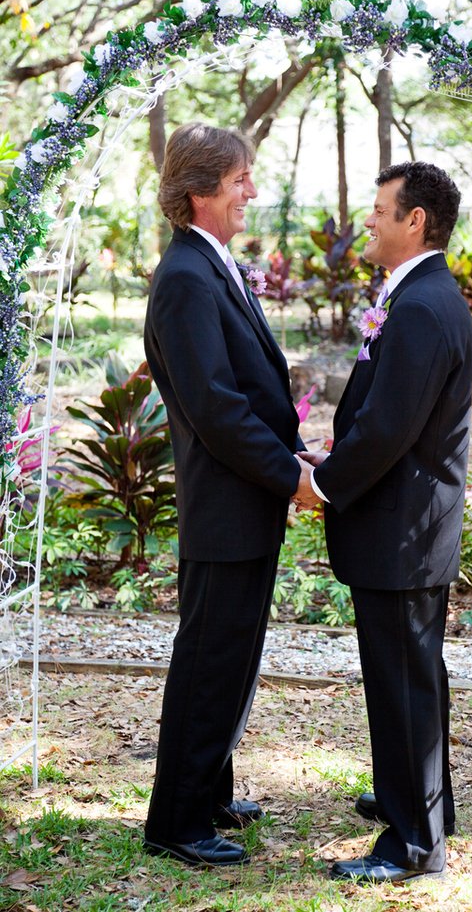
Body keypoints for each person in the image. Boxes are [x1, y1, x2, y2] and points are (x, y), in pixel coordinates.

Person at [296, 161, 472, 884]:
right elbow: (387, 417)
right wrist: (336, 454)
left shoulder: (424, 307)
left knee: (402, 679)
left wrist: (321, 484)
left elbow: (389, 430)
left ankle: (412, 845)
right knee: (412, 675)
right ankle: (422, 802)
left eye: (379, 209)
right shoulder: (418, 296)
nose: (367, 220)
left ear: (415, 220)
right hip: (407, 523)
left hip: (402, 531)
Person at [143, 122, 311, 867]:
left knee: (231, 656)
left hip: (244, 500)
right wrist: (290, 475)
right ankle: (176, 822)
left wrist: (292, 454)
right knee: (210, 662)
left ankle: (210, 792)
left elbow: (247, 388)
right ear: (200, 190)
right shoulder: (184, 277)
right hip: (224, 503)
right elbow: (215, 408)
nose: (251, 190)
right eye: (240, 178)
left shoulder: (210, 264)